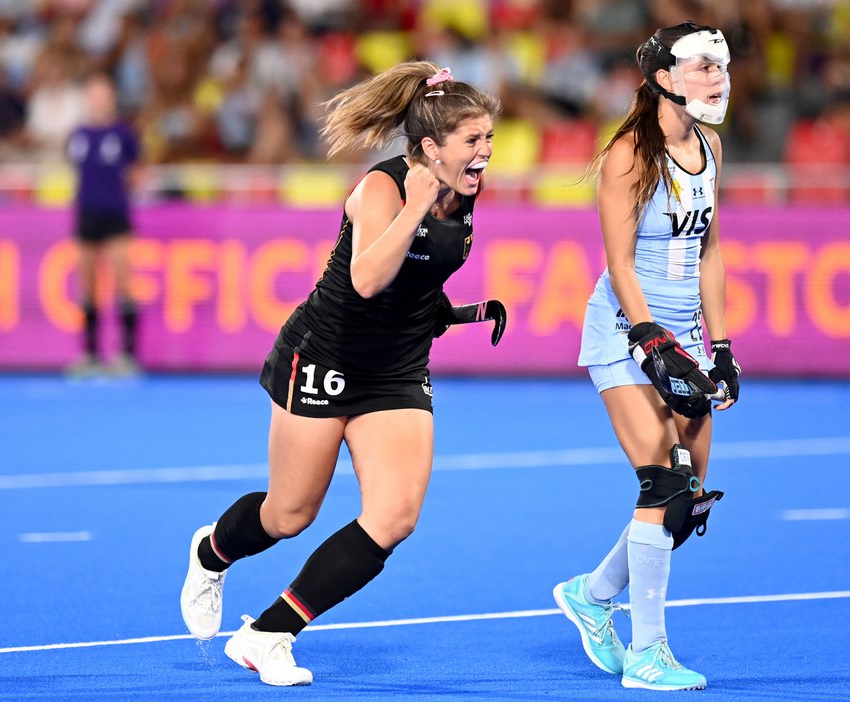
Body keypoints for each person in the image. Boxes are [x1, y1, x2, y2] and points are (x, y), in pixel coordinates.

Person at [180, 62, 500, 687]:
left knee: (394, 517)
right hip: (324, 358)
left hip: (397, 369)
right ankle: (211, 551)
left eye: (489, 137)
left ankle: (268, 634)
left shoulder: (465, 189)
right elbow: (367, 278)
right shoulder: (382, 188)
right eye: (473, 140)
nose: (485, 152)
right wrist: (415, 206)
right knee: (288, 516)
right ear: (431, 147)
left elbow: (417, 275)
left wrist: (451, 311)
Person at [553, 22, 742, 692]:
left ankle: (591, 595)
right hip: (625, 330)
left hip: (684, 334)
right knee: (661, 485)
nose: (717, 79)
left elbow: (709, 252)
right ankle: (648, 653)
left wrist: (720, 347)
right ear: (664, 79)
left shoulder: (711, 147)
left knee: (686, 503)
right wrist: (650, 340)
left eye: (720, 67)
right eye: (702, 68)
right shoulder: (631, 154)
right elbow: (620, 264)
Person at [64, 74, 141, 378]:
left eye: (103, 94)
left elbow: (138, 169)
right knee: (87, 284)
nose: (98, 100)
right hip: (86, 213)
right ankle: (91, 353)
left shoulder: (123, 133)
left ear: (111, 98)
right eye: (93, 94)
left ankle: (127, 354)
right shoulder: (78, 135)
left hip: (116, 213)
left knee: (123, 281)